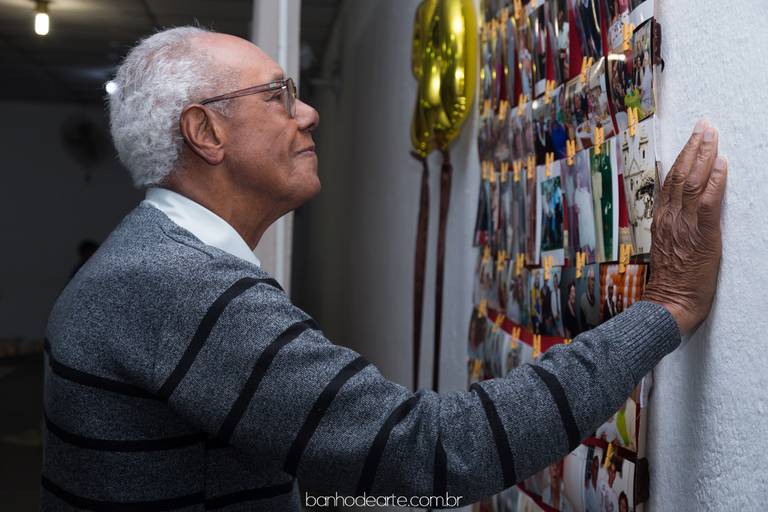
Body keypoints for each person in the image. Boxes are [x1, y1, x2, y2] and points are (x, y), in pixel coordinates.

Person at [41, 26, 727, 511]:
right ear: (206, 132)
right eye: (277, 95)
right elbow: (437, 453)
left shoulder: (144, 259)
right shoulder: (178, 286)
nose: (307, 113)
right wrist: (661, 308)